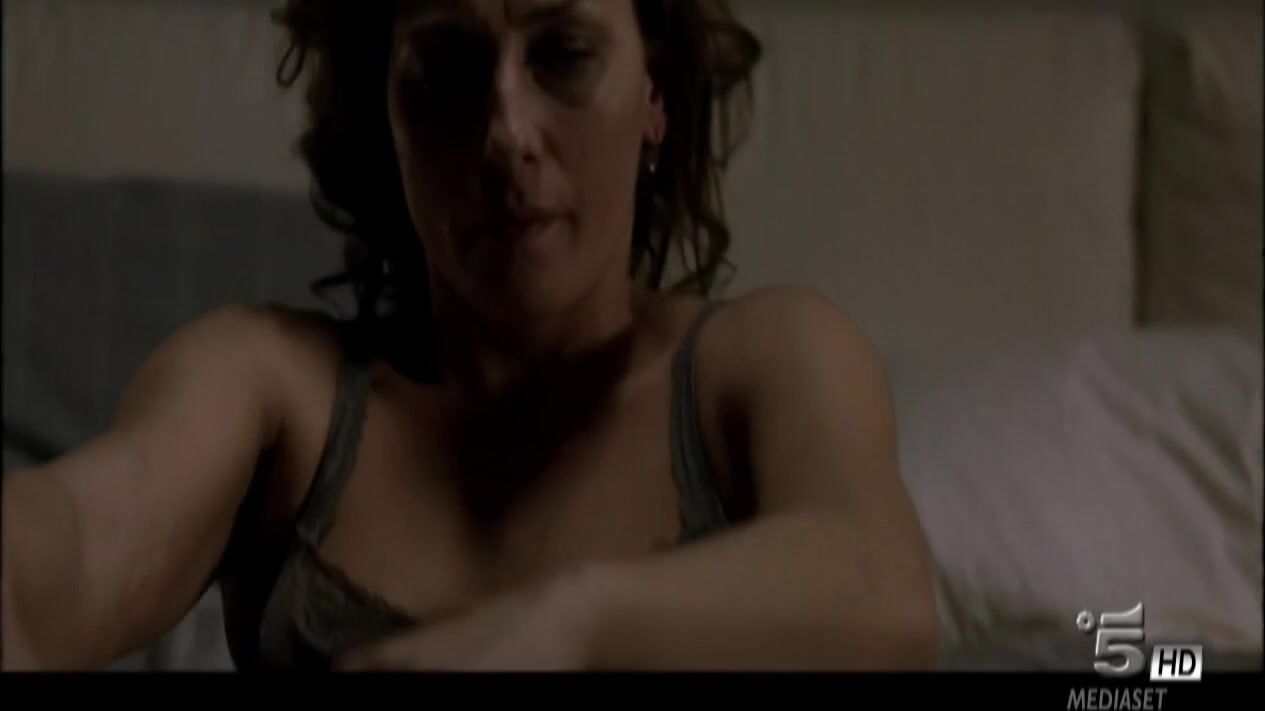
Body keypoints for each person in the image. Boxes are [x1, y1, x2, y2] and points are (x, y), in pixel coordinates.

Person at [2, 0, 939, 671]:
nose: (507, 133)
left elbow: (885, 593)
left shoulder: (760, 361)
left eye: (562, 54)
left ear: (654, 94)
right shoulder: (277, 390)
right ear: (387, 116)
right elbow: (70, 546)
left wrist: (570, 625)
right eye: (448, 70)